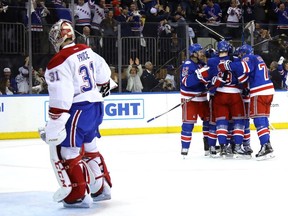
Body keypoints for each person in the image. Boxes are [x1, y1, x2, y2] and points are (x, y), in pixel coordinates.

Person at [38, 19, 112, 208]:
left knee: (68, 151)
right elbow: (104, 75)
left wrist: (54, 127)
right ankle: (101, 188)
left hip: (78, 109)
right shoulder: (85, 49)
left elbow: (61, 100)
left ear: (56, 37)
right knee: (90, 146)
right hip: (95, 107)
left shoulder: (58, 61)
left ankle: (77, 195)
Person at [218, 44, 275, 160]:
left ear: (243, 53)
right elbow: (246, 76)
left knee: (259, 120)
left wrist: (229, 65)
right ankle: (267, 144)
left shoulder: (248, 58)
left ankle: (265, 146)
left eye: (240, 55)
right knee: (263, 119)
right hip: (269, 90)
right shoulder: (258, 58)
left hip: (259, 92)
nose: (240, 57)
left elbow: (243, 67)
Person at [179, 43, 210, 157]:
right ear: (194, 54)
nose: (202, 53)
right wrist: (199, 75)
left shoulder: (202, 64)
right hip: (189, 99)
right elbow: (186, 82)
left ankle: (208, 147)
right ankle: (185, 149)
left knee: (208, 122)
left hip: (202, 98)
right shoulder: (188, 65)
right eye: (200, 52)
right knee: (188, 124)